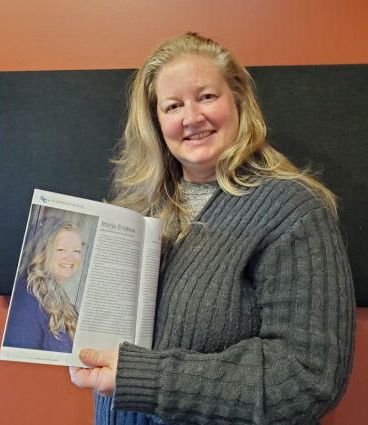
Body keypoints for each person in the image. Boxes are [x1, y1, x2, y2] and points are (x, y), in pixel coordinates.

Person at [70, 33, 355, 425]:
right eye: (173, 106)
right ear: (156, 121)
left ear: (238, 100)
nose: (191, 117)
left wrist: (147, 379)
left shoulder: (295, 212)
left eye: (206, 97)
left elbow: (306, 379)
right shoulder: (138, 209)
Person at [3, 217, 82, 353]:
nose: (70, 258)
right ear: (44, 250)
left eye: (77, 251)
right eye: (61, 249)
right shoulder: (28, 297)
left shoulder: (56, 293)